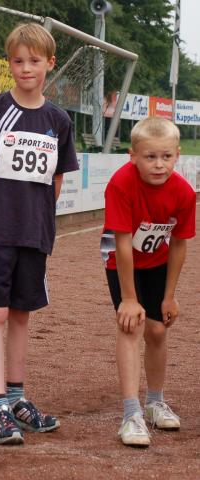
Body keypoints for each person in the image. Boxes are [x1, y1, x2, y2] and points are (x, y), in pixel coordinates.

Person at [0, 23, 79, 445]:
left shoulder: (59, 120)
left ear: (50, 64)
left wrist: (43, 220)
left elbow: (57, 179)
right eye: (17, 61)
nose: (25, 68)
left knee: (20, 315)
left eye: (34, 61)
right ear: (9, 64)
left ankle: (17, 398)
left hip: (35, 233)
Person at [101, 116, 196, 448]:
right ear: (133, 156)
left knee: (158, 330)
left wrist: (170, 296)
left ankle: (155, 401)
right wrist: (129, 298)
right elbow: (122, 243)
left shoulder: (184, 192)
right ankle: (131, 413)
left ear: (177, 155)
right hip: (120, 258)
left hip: (157, 260)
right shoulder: (120, 184)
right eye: (150, 157)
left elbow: (180, 243)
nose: (159, 165)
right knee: (133, 325)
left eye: (166, 157)